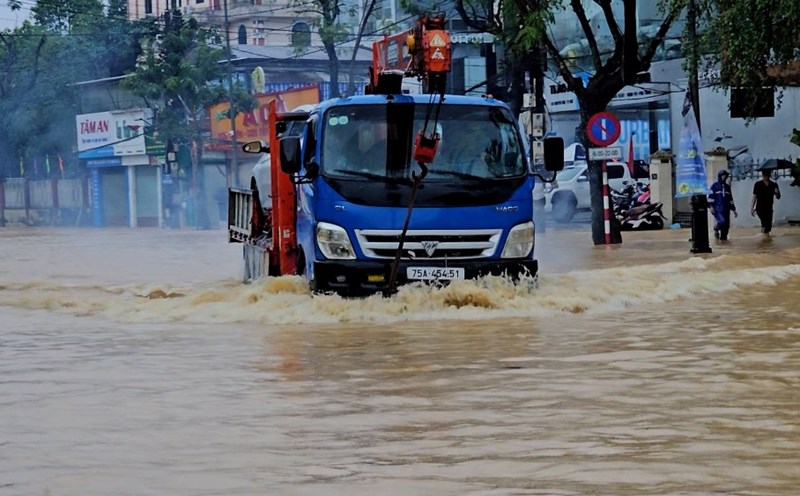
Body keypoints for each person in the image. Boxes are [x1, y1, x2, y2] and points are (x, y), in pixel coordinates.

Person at [707, 169, 737, 240]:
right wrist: (710, 207)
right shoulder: (715, 186)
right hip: (717, 209)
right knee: (722, 221)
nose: (724, 177)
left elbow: (730, 199)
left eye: (725, 176)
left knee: (726, 227)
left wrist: (734, 209)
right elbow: (710, 198)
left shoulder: (727, 187)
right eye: (723, 175)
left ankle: (723, 243)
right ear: (720, 176)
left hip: (726, 209)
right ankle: (716, 228)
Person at [750, 169, 781, 235]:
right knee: (764, 224)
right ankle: (762, 238)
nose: (766, 176)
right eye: (764, 175)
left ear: (770, 175)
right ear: (762, 175)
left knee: (768, 227)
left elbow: (778, 197)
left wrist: (776, 192)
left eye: (767, 175)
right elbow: (754, 196)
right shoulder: (758, 184)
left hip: (769, 209)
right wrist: (752, 208)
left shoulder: (774, 185)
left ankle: (765, 239)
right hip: (760, 208)